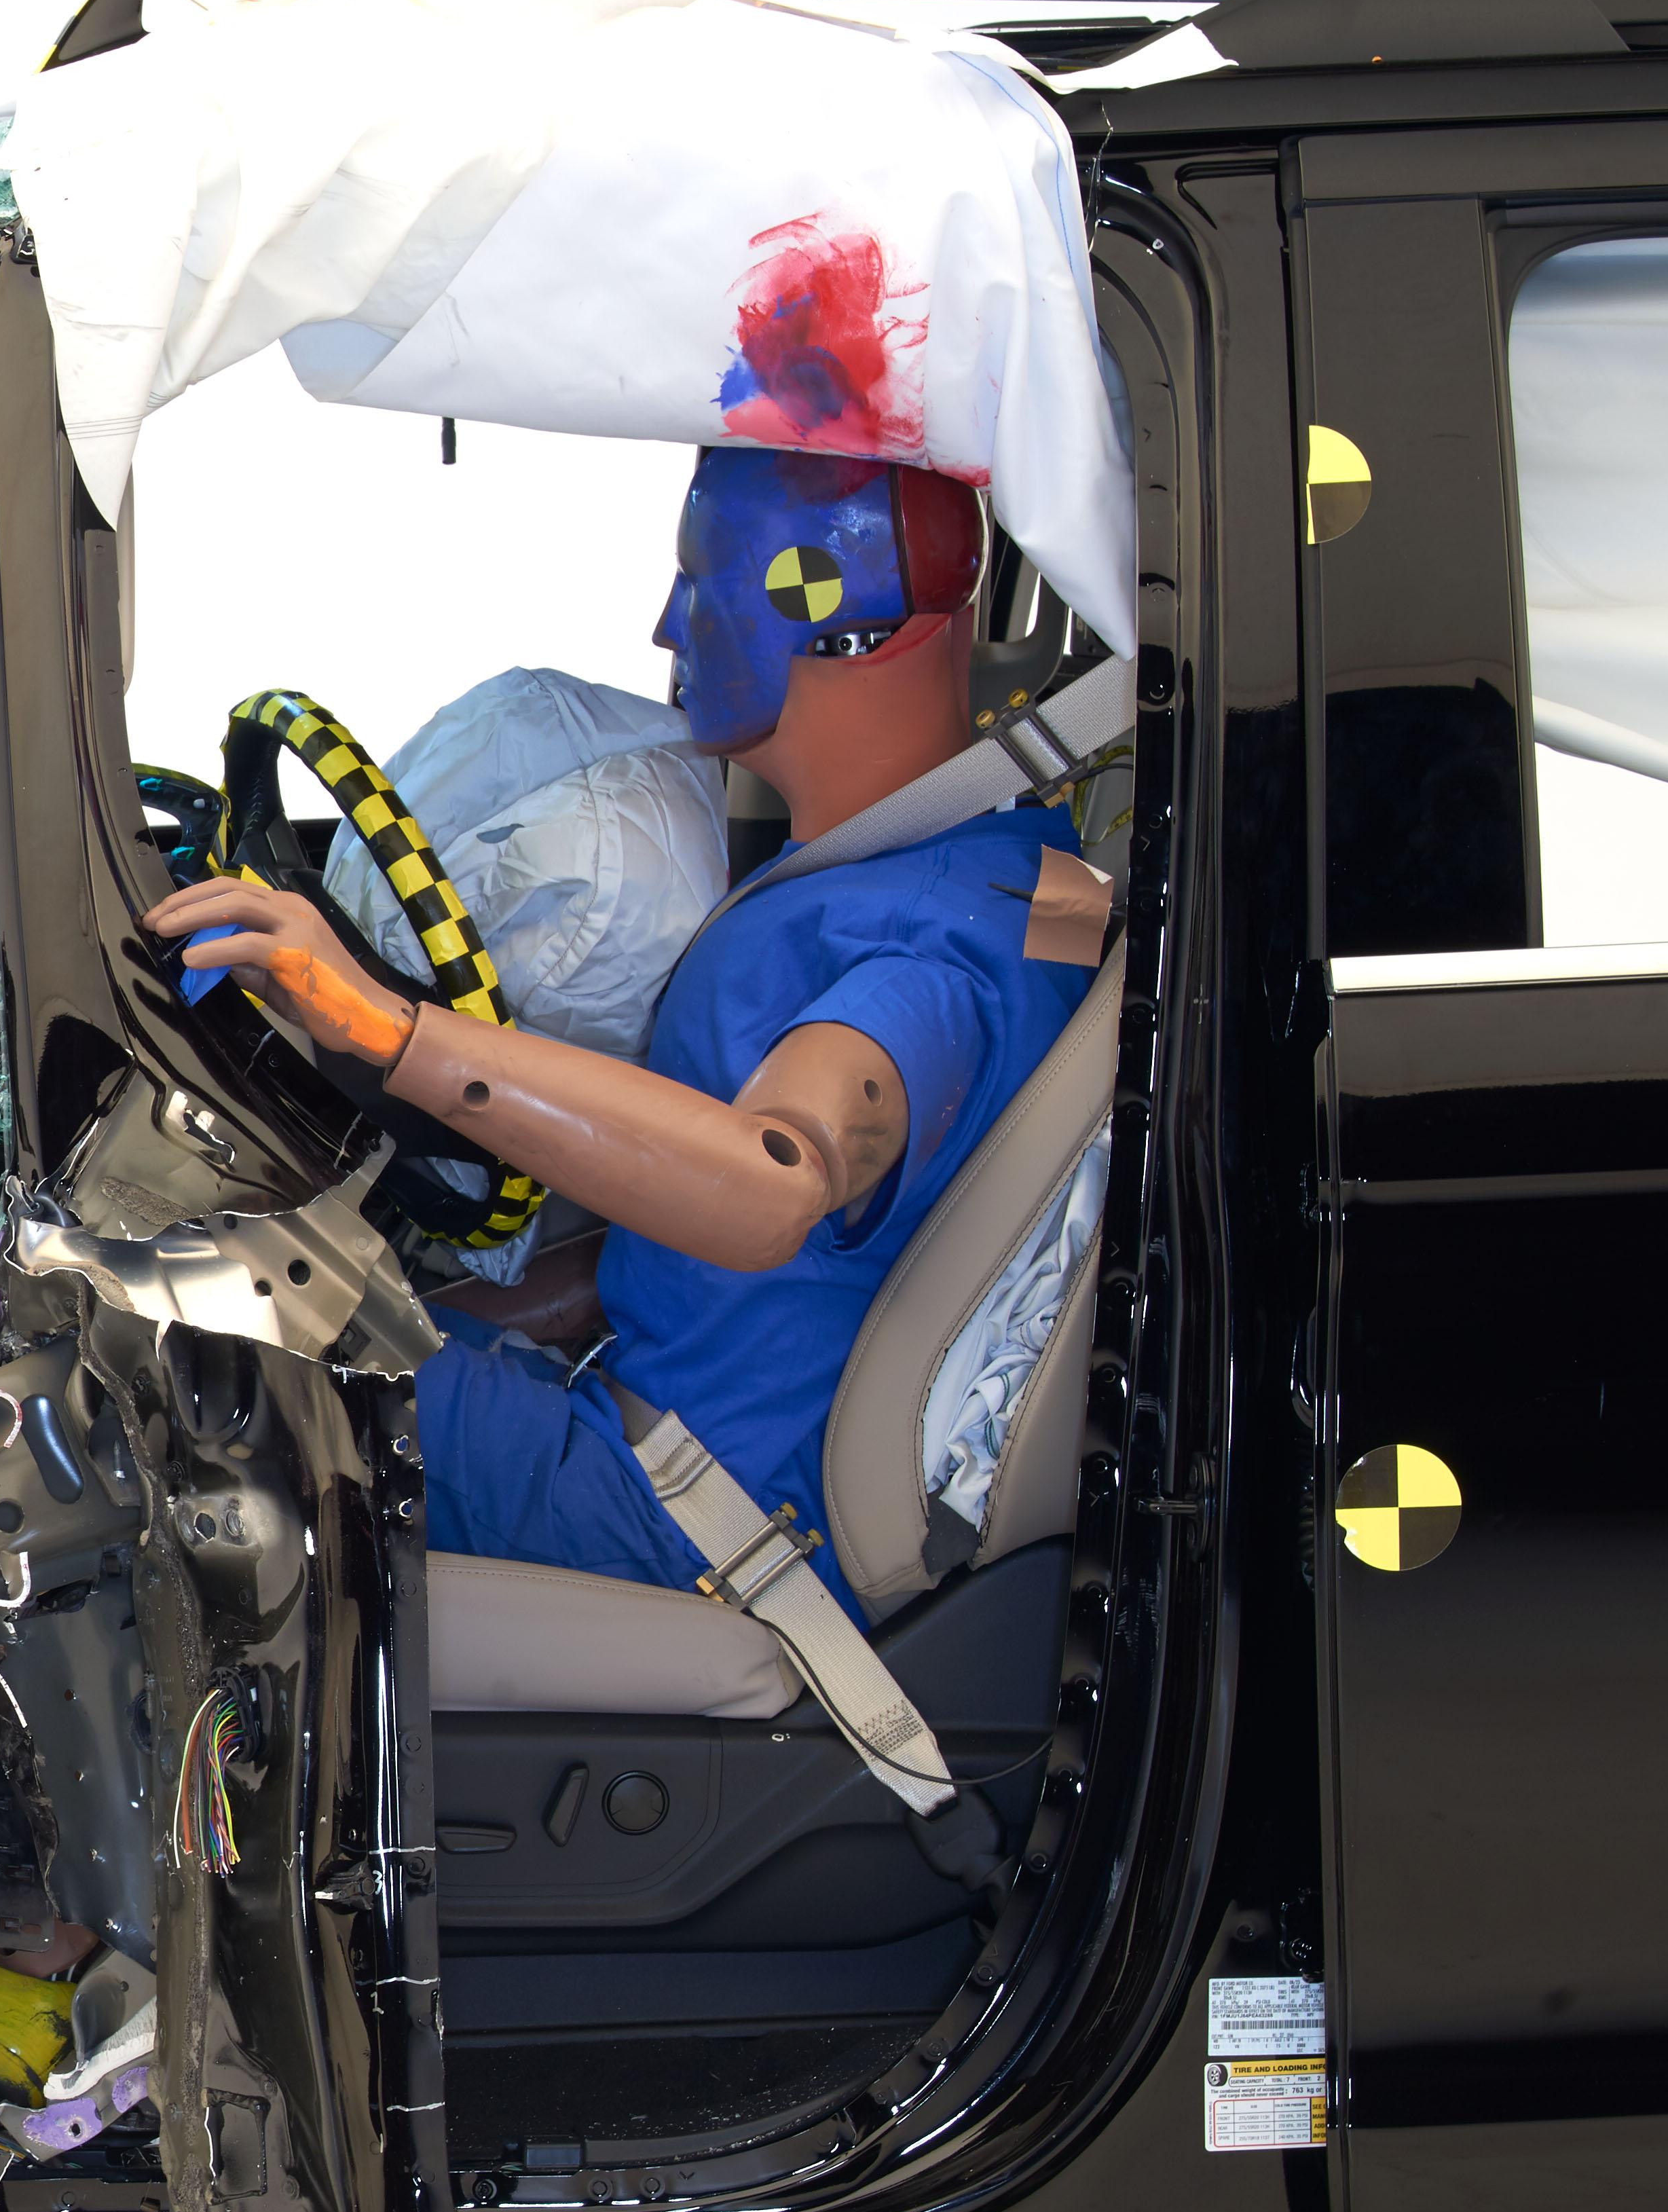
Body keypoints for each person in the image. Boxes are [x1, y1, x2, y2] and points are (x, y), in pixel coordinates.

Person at [143, 446, 1098, 1619]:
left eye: (705, 583)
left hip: (692, 1517)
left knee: (170, 1362)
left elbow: (776, 1180)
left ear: (837, 623)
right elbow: (702, 1265)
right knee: (271, 1312)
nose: (666, 626)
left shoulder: (929, 947)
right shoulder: (992, 863)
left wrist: (390, 1031)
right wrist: (427, 1312)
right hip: (677, 1434)